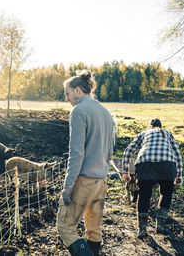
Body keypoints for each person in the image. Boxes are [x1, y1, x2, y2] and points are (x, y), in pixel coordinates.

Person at [56, 70, 115, 256]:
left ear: (78, 90)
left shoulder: (79, 111)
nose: (67, 98)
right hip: (101, 181)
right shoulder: (106, 113)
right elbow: (110, 152)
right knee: (94, 229)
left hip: (84, 181)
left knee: (65, 227)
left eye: (67, 93)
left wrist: (68, 186)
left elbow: (76, 154)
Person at [119, 118, 183, 238]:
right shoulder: (167, 133)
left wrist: (125, 172)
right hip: (167, 165)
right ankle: (161, 225)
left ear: (150, 126)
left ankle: (142, 228)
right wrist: (179, 175)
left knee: (144, 195)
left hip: (145, 164)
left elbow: (128, 151)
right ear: (161, 126)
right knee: (166, 193)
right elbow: (177, 154)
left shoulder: (144, 133)